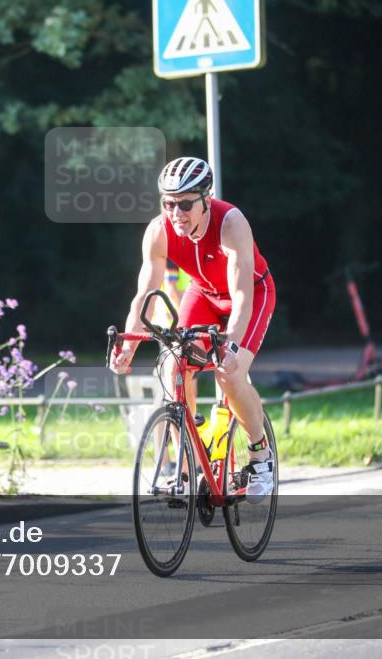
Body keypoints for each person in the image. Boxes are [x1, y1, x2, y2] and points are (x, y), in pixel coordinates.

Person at [109, 157, 276, 500]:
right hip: (203, 293)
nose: (176, 213)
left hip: (251, 295)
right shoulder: (159, 231)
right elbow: (146, 296)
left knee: (229, 375)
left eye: (185, 204)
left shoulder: (231, 223)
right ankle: (186, 467)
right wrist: (128, 346)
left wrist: (230, 347)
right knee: (173, 366)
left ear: (205, 199)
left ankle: (260, 455)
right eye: (169, 203)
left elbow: (242, 294)